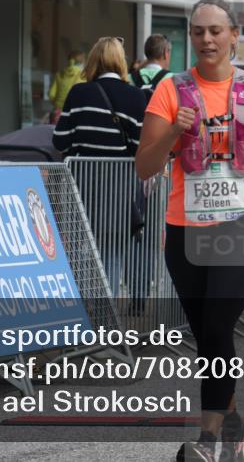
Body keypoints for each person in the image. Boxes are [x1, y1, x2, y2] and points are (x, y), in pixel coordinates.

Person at [135, 0, 244, 462]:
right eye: (198, 32)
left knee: (218, 323)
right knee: (209, 337)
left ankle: (206, 442)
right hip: (187, 229)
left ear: (234, 35)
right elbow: (145, 167)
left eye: (216, 31)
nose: (207, 40)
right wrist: (172, 133)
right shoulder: (170, 90)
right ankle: (235, 428)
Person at [53, 37, 149, 305]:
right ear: (120, 62)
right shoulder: (135, 96)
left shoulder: (79, 93)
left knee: (79, 250)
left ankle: (81, 317)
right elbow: (139, 147)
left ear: (94, 59)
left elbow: (60, 140)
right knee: (112, 252)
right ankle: (106, 324)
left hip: (81, 182)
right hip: (119, 185)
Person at [48, 50, 84, 114]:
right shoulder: (84, 75)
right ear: (82, 62)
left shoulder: (59, 75)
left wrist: (57, 104)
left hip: (59, 111)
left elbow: (51, 94)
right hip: (76, 111)